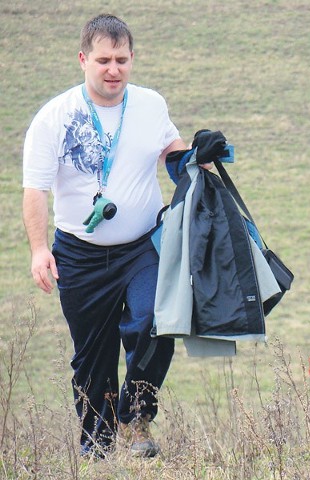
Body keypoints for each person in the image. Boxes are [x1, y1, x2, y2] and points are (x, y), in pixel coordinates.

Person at [22, 14, 190, 458]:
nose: (113, 69)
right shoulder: (55, 117)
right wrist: (40, 249)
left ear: (133, 59)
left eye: (121, 59)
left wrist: (197, 157)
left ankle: (137, 418)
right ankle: (97, 448)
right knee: (92, 358)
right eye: (103, 60)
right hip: (79, 254)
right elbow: (35, 188)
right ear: (83, 60)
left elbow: (171, 154)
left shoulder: (151, 104)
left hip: (143, 247)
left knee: (154, 320)